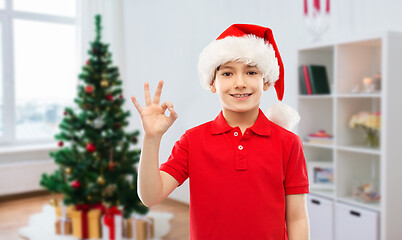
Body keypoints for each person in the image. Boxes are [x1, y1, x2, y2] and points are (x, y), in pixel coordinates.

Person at [131, 24, 310, 240]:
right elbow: (150, 196)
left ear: (266, 82)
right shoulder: (192, 140)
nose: (240, 83)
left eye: (251, 72)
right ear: (212, 83)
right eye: (227, 73)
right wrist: (151, 138)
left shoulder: (288, 143)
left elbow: (297, 217)